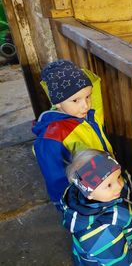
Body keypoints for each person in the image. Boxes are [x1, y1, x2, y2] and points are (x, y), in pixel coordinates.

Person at [32, 59, 114, 210]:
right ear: (57, 103)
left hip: (103, 184)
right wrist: (67, 205)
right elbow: (54, 176)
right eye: (76, 100)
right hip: (84, 200)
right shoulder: (51, 138)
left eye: (88, 96)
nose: (86, 105)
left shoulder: (87, 115)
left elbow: (93, 85)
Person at [61, 149, 132, 266]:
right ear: (89, 194)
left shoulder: (104, 191)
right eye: (109, 185)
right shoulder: (99, 233)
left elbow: (127, 180)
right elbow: (120, 262)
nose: (119, 185)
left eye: (118, 176)